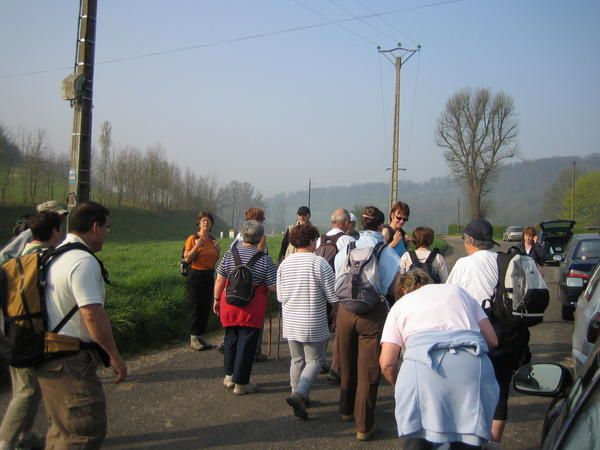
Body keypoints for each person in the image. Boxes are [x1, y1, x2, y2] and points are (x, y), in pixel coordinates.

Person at [35, 201, 127, 449]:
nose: (108, 233)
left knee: (62, 429)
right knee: (84, 431)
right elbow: (93, 315)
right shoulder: (82, 261)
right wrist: (114, 357)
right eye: (107, 227)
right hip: (70, 360)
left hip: (50, 353)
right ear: (94, 227)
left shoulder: (56, 253)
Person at [380, 270, 499, 449]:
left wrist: (399, 385)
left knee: (419, 438)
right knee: (468, 439)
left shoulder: (401, 305)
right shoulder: (459, 292)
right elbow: (492, 340)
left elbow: (387, 363)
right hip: (471, 367)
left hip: (421, 372)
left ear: (403, 291)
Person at [446, 218, 530, 446]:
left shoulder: (465, 264)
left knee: (469, 390)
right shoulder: (506, 261)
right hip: (509, 334)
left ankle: (470, 439)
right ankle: (493, 443)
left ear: (470, 240)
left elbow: (450, 295)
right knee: (501, 389)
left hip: (477, 334)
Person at [333, 206, 400, 441]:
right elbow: (393, 287)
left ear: (360, 224)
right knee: (368, 369)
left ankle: (345, 410)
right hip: (372, 313)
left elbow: (337, 278)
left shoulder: (346, 247)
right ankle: (363, 425)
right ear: (382, 227)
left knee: (347, 361)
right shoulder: (386, 252)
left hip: (345, 310)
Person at [0, 212, 64, 450]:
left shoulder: (15, 258)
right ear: (55, 232)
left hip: (10, 329)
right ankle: (6, 441)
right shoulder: (45, 260)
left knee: (25, 387)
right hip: (31, 332)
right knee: (27, 391)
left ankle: (25, 436)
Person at [277, 223, 337, 420]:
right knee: (315, 361)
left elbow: (280, 296)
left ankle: (297, 394)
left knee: (297, 360)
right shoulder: (319, 263)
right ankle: (300, 394)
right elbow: (332, 296)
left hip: (291, 320)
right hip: (312, 320)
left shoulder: (285, 264)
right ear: (312, 241)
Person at [213, 220, 277, 395]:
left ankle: (229, 376)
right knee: (246, 344)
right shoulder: (264, 260)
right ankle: (241, 383)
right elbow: (272, 286)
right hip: (252, 307)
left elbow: (220, 279)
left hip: (229, 304)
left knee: (230, 339)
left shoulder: (229, 254)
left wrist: (216, 299)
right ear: (260, 238)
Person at [315, 208, 356, 382]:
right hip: (339, 289)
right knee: (340, 329)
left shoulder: (320, 239)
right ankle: (337, 366)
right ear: (346, 222)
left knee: (322, 324)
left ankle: (319, 360)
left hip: (319, 286)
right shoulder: (346, 239)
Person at [224, 207, 269, 361]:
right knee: (252, 325)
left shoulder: (237, 239)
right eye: (261, 220)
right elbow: (260, 258)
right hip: (253, 289)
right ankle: (253, 352)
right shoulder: (258, 237)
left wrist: (217, 298)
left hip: (234, 288)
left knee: (235, 325)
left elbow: (223, 272)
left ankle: (233, 355)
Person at [184, 211, 220, 351]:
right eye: (204, 220)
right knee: (195, 306)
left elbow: (214, 259)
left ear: (211, 224)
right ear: (199, 223)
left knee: (205, 306)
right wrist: (197, 245)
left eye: (209, 221)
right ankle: (193, 337)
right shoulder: (192, 239)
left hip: (208, 275)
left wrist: (218, 251)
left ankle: (200, 336)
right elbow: (187, 258)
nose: (206, 222)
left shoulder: (213, 240)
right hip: (195, 275)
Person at [0, 200, 68, 265]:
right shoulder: (30, 233)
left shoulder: (57, 232)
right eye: (57, 216)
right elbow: (4, 255)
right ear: (44, 216)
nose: (61, 219)